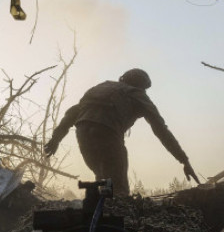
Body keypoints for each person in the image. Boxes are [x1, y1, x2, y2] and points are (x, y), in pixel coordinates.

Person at [43, 68, 199, 196]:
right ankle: (117, 228)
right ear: (142, 86)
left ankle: (99, 222)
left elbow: (72, 114)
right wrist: (183, 159)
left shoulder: (100, 88)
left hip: (83, 134)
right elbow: (160, 129)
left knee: (103, 180)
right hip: (108, 135)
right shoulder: (137, 94)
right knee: (119, 190)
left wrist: (56, 138)